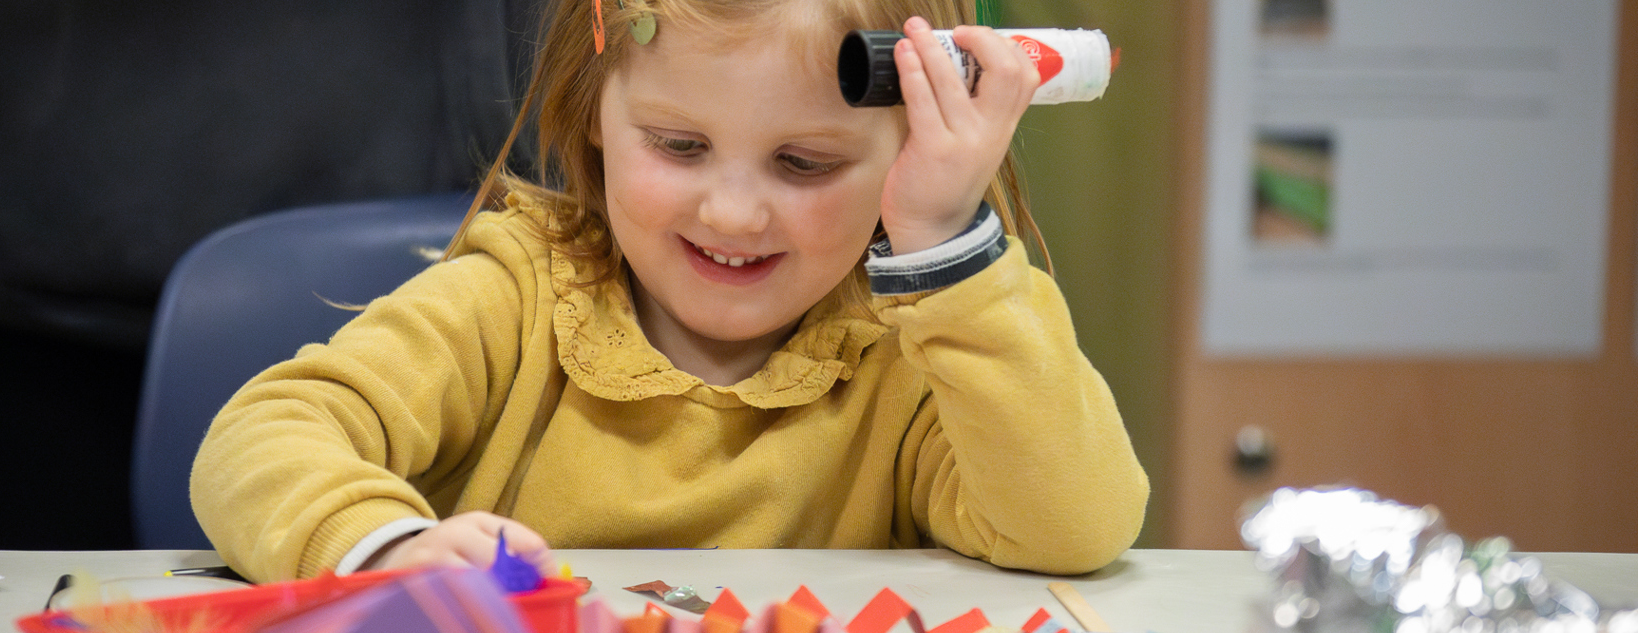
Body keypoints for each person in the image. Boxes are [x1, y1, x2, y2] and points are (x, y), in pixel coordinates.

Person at [192, 0, 1149, 583]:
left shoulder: (918, 352)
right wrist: (384, 550)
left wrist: (944, 242)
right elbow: (261, 438)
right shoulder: (515, 294)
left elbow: (1075, 527)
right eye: (680, 146)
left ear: (910, 150)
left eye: (804, 162)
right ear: (592, 111)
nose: (733, 213)